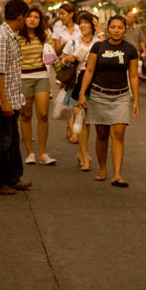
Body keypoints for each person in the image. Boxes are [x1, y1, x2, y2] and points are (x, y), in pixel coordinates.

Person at [78, 15, 139, 187]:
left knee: (118, 135)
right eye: (113, 27)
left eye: (120, 27)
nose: (116, 30)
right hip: (99, 94)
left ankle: (117, 175)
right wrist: (82, 93)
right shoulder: (98, 47)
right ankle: (102, 169)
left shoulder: (130, 49)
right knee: (102, 133)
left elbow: (133, 75)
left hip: (120, 96)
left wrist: (135, 100)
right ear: (108, 29)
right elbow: (89, 70)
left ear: (125, 29)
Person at [0, 0, 33, 196]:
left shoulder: (10, 34)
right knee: (2, 143)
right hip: (2, 101)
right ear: (20, 17)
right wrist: (4, 101)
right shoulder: (2, 37)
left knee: (13, 140)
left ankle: (13, 177)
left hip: (12, 98)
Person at [61, 12, 99, 171]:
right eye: (80, 23)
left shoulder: (99, 43)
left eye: (86, 22)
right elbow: (61, 61)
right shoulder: (73, 42)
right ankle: (85, 156)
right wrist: (69, 59)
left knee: (86, 121)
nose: (82, 26)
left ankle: (82, 152)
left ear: (93, 25)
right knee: (80, 117)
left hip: (94, 84)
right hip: (76, 84)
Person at [18, 5, 56, 166]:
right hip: (23, 77)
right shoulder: (17, 36)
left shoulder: (45, 34)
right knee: (25, 115)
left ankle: (42, 152)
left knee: (43, 113)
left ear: (40, 20)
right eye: (29, 16)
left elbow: (52, 56)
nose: (32, 19)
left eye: (36, 17)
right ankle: (30, 152)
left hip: (42, 76)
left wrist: (62, 75)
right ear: (24, 18)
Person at [52, 2, 82, 143]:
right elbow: (56, 52)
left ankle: (71, 127)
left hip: (79, 65)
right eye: (60, 14)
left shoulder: (79, 28)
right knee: (68, 97)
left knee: (75, 99)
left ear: (71, 14)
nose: (61, 16)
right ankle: (71, 130)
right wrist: (65, 46)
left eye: (63, 13)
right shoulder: (58, 29)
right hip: (64, 67)